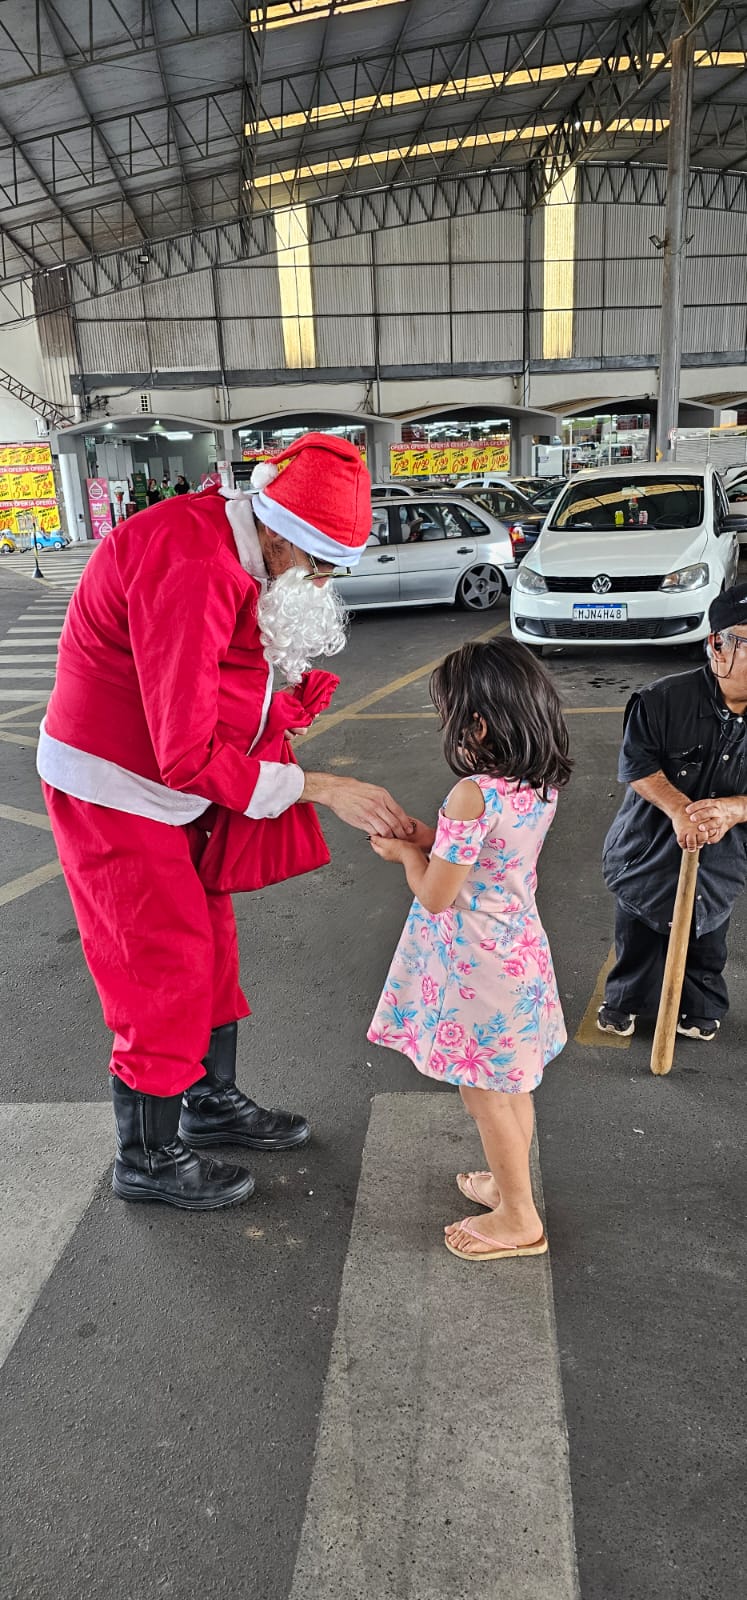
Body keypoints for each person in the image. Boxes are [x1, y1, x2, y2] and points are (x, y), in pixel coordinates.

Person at [37, 433, 416, 1212]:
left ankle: (207, 1104)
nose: (318, 581)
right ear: (278, 534)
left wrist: (270, 722)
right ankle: (145, 1155)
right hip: (114, 786)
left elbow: (211, 686)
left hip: (162, 782)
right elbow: (182, 752)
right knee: (160, 962)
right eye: (315, 564)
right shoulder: (192, 563)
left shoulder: (237, 546)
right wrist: (317, 784)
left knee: (210, 943)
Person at [367, 639, 571, 1261]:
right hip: (517, 952)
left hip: (475, 965)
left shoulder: (473, 794)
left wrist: (407, 853)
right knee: (509, 1087)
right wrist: (432, 837)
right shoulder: (536, 784)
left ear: (477, 723)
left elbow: (436, 894)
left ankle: (518, 1218)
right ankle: (508, 1183)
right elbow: (490, 857)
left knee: (483, 1094)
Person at [598, 581, 747, 1042]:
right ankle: (625, 1001)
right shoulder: (662, 700)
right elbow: (638, 766)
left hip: (723, 857)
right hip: (649, 848)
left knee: (707, 937)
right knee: (639, 933)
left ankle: (700, 1009)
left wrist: (734, 810)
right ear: (716, 647)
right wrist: (680, 809)